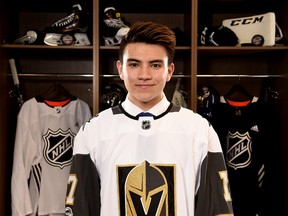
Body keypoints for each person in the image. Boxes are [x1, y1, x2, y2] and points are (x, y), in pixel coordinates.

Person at [65, 21, 234, 216]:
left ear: (169, 71)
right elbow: (79, 210)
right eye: (134, 64)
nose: (144, 75)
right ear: (120, 69)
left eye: (155, 65)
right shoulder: (94, 131)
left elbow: (217, 210)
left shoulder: (199, 130)